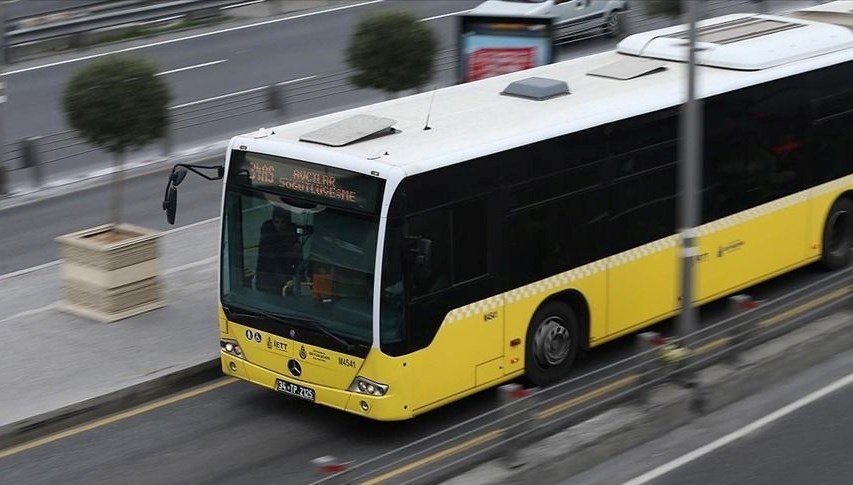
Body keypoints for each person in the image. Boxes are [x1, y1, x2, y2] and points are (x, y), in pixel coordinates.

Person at [256, 206, 301, 294]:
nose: (279, 225)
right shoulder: (267, 230)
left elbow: (297, 257)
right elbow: (273, 253)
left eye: (283, 222)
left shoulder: (292, 231)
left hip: (287, 276)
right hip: (268, 278)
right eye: (276, 222)